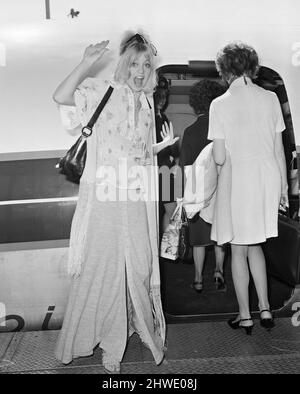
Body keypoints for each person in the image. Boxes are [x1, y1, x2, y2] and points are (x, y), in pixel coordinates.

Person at [52, 32, 178, 373]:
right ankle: (110, 344)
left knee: (138, 268)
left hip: (136, 197)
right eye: (134, 63)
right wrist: (86, 63)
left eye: (146, 64)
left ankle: (139, 329)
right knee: (103, 270)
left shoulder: (148, 102)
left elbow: (143, 156)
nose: (139, 70)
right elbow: (61, 96)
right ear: (123, 62)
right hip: (105, 194)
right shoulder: (100, 90)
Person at [208, 42, 288, 334]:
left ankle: (245, 315)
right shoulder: (270, 99)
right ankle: (265, 308)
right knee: (257, 244)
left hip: (239, 179)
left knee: (238, 248)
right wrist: (282, 190)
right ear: (252, 66)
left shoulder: (220, 104)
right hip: (267, 178)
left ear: (225, 69)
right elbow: (279, 149)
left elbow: (218, 157)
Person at [180, 79, 226, 293]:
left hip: (198, 190)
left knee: (198, 240)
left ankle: (198, 279)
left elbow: (185, 167)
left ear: (195, 103)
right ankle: (219, 272)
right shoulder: (223, 127)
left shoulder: (189, 132)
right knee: (220, 234)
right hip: (222, 187)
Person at [154, 76, 178, 237]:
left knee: (170, 209)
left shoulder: (161, 117)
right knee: (169, 209)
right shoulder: (152, 118)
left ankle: (167, 246)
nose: (163, 100)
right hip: (158, 170)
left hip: (164, 170)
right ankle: (167, 246)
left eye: (165, 96)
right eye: (160, 96)